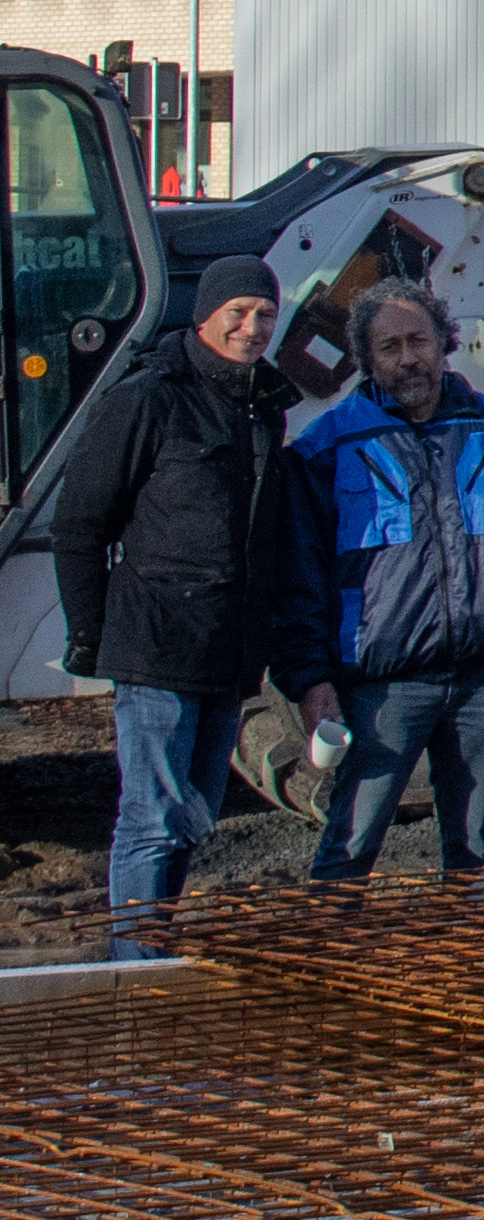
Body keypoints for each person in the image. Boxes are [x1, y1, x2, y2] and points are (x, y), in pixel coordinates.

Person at [273, 282, 484, 888]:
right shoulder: (327, 447)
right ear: (366, 358)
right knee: (350, 845)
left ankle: (470, 965)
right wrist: (310, 679)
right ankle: (326, 961)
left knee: (476, 852)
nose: (408, 358)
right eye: (389, 347)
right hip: (384, 688)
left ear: (444, 345)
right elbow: (295, 576)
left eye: (418, 341)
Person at [60, 258, 297, 921]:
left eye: (266, 315)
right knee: (151, 819)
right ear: (207, 314)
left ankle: (154, 945)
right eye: (240, 312)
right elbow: (79, 521)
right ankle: (133, 966)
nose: (252, 328)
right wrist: (92, 634)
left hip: (227, 653)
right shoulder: (151, 396)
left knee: (191, 816)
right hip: (156, 646)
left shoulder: (263, 406)